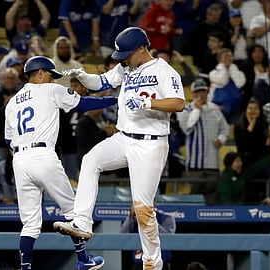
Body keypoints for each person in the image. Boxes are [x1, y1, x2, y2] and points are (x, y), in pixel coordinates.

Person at [53, 27, 186, 270]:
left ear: (141, 49)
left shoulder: (164, 70)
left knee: (143, 209)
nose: (122, 58)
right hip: (124, 137)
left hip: (151, 143)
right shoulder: (126, 67)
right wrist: (83, 77)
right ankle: (82, 222)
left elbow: (179, 103)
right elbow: (102, 82)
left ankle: (152, 264)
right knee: (91, 160)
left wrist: (149, 102)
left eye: (127, 53)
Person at [5, 55, 118, 270]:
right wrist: (114, 100)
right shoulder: (50, 90)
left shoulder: (12, 103)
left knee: (29, 223)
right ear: (39, 73)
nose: (54, 80)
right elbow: (83, 103)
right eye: (51, 75)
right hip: (43, 155)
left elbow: (8, 141)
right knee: (75, 212)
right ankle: (83, 259)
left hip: (20, 160)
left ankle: (25, 267)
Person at [177, 78, 229, 205]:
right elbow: (187, 128)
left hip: (213, 163)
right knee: (195, 197)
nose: (201, 95)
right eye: (198, 92)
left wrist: (221, 139)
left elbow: (225, 128)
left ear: (207, 92)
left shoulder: (215, 109)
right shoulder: (185, 110)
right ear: (193, 94)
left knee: (212, 197)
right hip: (195, 165)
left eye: (203, 92)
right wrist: (197, 110)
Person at [120, 204, 176, 270]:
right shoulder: (135, 219)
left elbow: (169, 239)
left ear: (153, 202)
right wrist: (131, 217)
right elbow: (122, 237)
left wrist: (149, 219)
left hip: (161, 265)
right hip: (139, 264)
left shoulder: (166, 218)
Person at [0, 68, 21, 160]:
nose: (9, 81)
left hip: (19, 140)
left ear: (17, 80)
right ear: (2, 80)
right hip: (0, 141)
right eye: (7, 78)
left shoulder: (22, 96)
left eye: (12, 78)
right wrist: (5, 107)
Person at [208, 48, 246, 124]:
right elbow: (223, 81)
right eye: (225, 56)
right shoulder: (213, 73)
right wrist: (223, 67)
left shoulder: (238, 72)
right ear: (219, 59)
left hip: (236, 106)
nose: (228, 58)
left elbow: (240, 83)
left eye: (230, 56)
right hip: (220, 106)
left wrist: (232, 68)